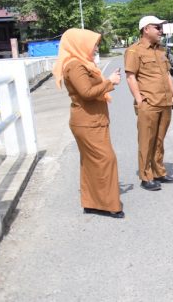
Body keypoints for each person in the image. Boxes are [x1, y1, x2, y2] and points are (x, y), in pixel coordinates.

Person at [52, 28, 124, 218]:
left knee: (91, 163)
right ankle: (109, 205)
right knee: (106, 159)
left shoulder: (83, 63)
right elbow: (86, 93)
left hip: (92, 120)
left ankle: (92, 202)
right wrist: (109, 82)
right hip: (87, 122)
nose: (96, 48)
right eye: (93, 44)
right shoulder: (75, 66)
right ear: (79, 44)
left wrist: (107, 82)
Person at [124, 16, 173, 191]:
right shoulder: (134, 51)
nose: (160, 31)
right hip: (149, 103)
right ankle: (146, 176)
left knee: (159, 140)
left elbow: (167, 74)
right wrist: (139, 99)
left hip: (164, 102)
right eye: (157, 27)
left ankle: (159, 172)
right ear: (146, 29)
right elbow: (130, 76)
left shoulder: (161, 50)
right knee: (146, 141)